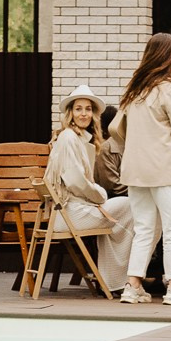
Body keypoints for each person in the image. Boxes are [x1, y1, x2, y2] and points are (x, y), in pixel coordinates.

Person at [110, 32, 171, 306]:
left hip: (135, 169)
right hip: (163, 167)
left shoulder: (134, 89)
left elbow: (117, 129)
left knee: (144, 228)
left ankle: (133, 285)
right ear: (169, 58)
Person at [45, 86, 132, 289]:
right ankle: (117, 280)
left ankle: (113, 279)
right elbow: (76, 182)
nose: (83, 113)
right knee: (130, 207)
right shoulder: (68, 138)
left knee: (123, 211)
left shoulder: (81, 139)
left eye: (87, 109)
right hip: (69, 214)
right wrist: (100, 195)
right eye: (78, 109)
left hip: (76, 209)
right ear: (70, 113)